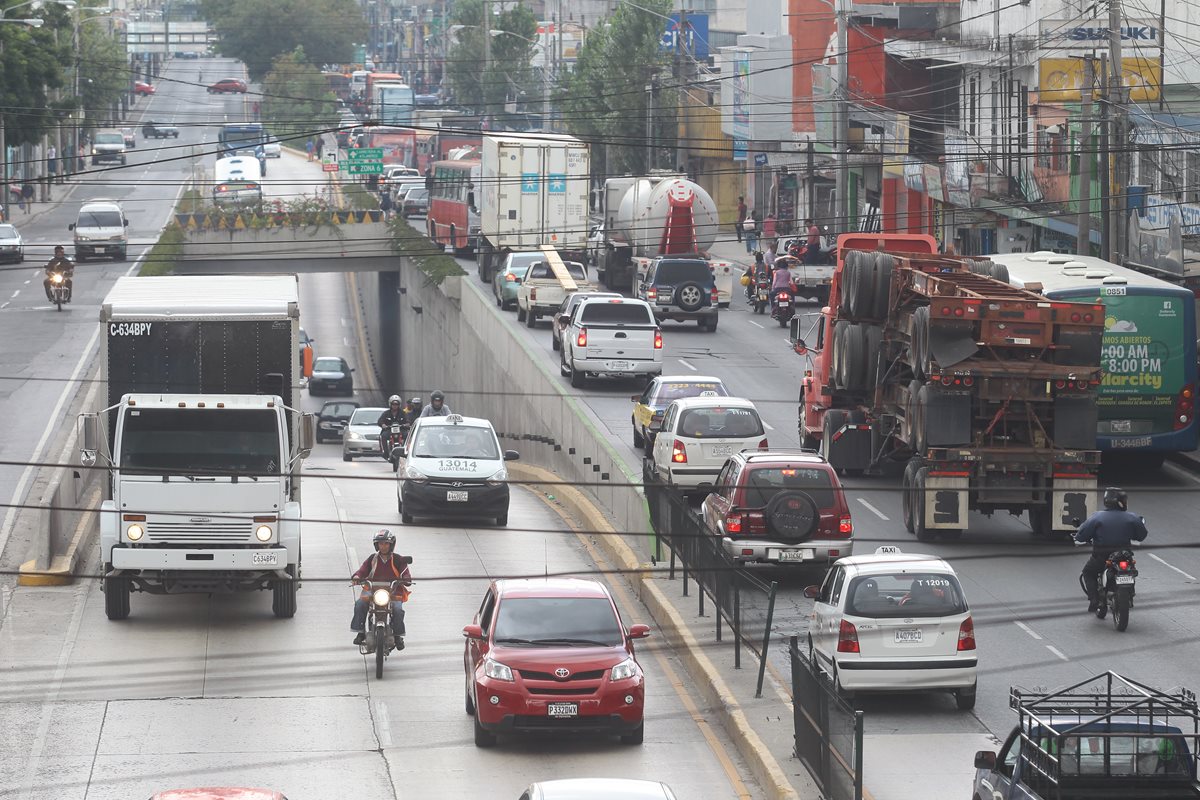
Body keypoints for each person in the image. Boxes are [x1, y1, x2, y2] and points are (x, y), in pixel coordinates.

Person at [1074, 487, 1148, 616]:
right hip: (1124, 556)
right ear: (1120, 502)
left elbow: (1081, 535)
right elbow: (1141, 535)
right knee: (1130, 569)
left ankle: (1094, 600)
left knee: (1088, 572)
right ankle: (1130, 594)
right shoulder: (1133, 517)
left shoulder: (1097, 516)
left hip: (1102, 557)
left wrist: (1079, 539)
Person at [350, 530, 412, 647]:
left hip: (393, 591)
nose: (383, 546)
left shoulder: (399, 559)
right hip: (372, 590)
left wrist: (406, 579)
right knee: (360, 604)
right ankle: (361, 632)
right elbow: (362, 570)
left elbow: (405, 573)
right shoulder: (372, 558)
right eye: (380, 544)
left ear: (391, 544)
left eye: (386, 543)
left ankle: (398, 636)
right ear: (376, 545)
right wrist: (357, 577)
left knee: (398, 609)